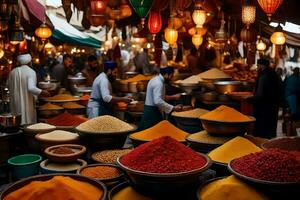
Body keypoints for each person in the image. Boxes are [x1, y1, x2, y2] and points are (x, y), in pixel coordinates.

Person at [7, 53, 50, 125]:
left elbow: (7, 85)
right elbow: (31, 88)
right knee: (27, 122)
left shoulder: (12, 72)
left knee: (16, 123)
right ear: (30, 62)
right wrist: (42, 92)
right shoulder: (31, 72)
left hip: (15, 103)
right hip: (28, 103)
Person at [246, 58, 283, 139]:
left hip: (264, 107)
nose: (257, 68)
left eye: (258, 66)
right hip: (273, 105)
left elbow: (260, 95)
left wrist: (249, 99)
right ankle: (269, 143)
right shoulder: (274, 74)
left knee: (262, 131)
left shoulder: (264, 76)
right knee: (271, 128)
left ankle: (262, 144)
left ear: (262, 66)